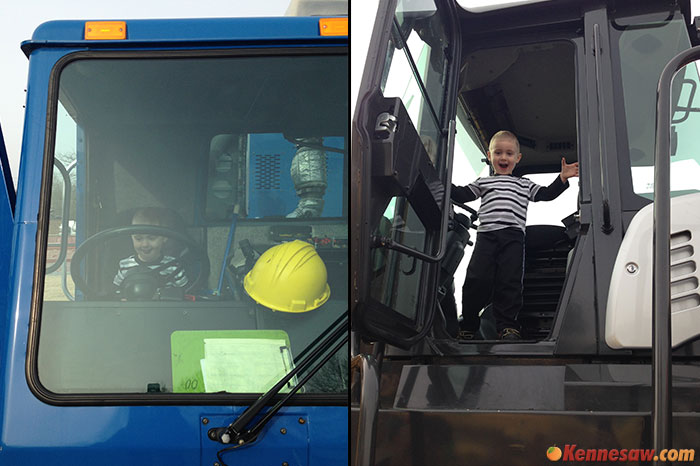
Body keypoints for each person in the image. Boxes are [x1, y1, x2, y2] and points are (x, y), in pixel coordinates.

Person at [451, 130, 578, 341]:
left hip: (513, 238)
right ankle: (469, 324)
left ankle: (508, 326)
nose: (503, 157)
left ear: (517, 159)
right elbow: (463, 194)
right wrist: (442, 183)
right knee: (476, 279)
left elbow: (546, 194)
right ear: (490, 156)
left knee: (509, 281)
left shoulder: (524, 184)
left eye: (509, 154)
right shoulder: (483, 183)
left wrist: (562, 178)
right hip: (487, 236)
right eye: (498, 153)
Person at [113, 207, 188, 298]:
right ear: (132, 237)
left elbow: (185, 295)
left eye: (152, 238)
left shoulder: (174, 267)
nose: (145, 244)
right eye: (138, 238)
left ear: (164, 237)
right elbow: (116, 293)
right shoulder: (125, 265)